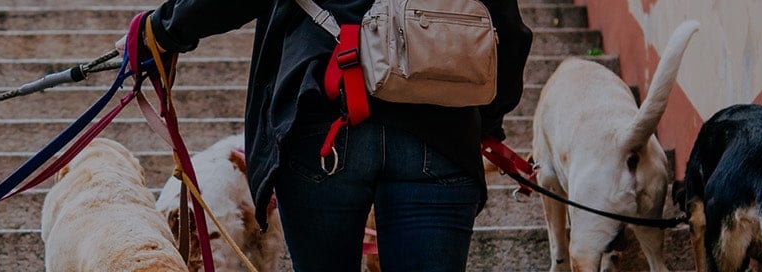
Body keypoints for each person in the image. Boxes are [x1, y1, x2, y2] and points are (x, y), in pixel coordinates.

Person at [119, 0, 533, 271]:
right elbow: (509, 32)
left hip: (324, 114)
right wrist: (488, 122)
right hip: (443, 130)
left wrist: (160, 30)